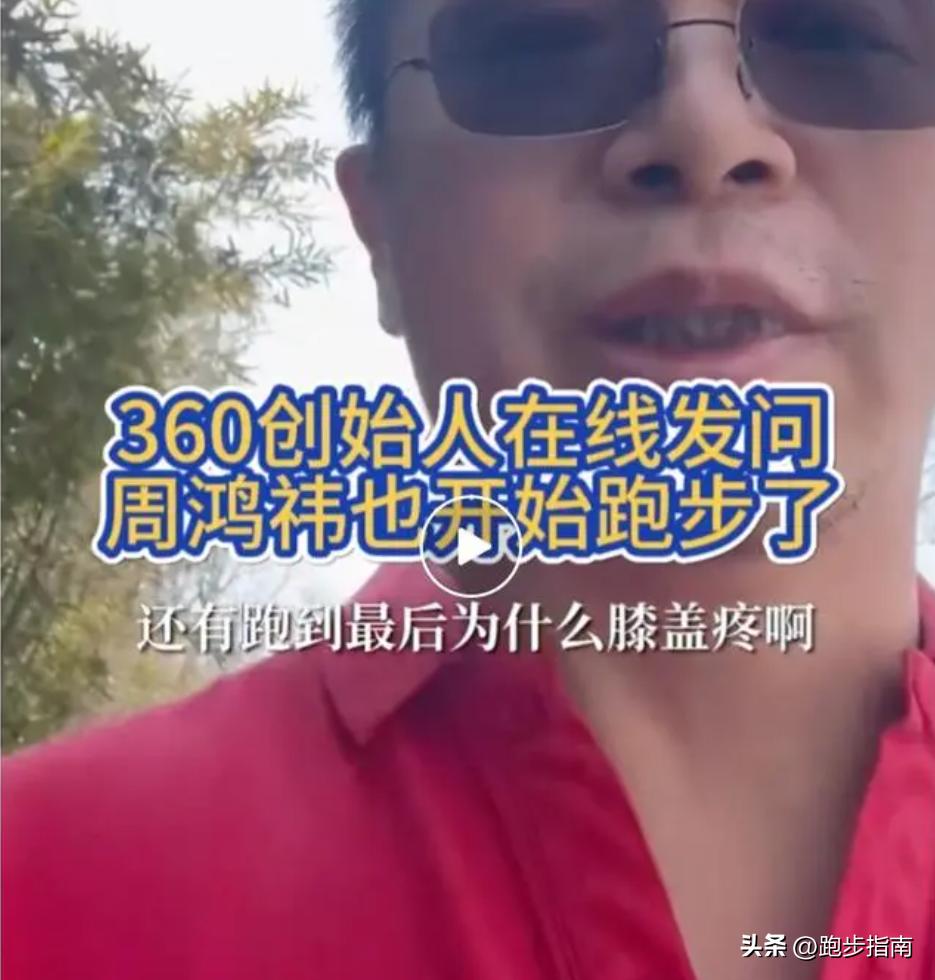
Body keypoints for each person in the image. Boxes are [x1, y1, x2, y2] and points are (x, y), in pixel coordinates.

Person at [4, 0, 935, 978]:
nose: (706, 131)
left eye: (834, 35)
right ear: (381, 231)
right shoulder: (35, 887)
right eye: (542, 49)